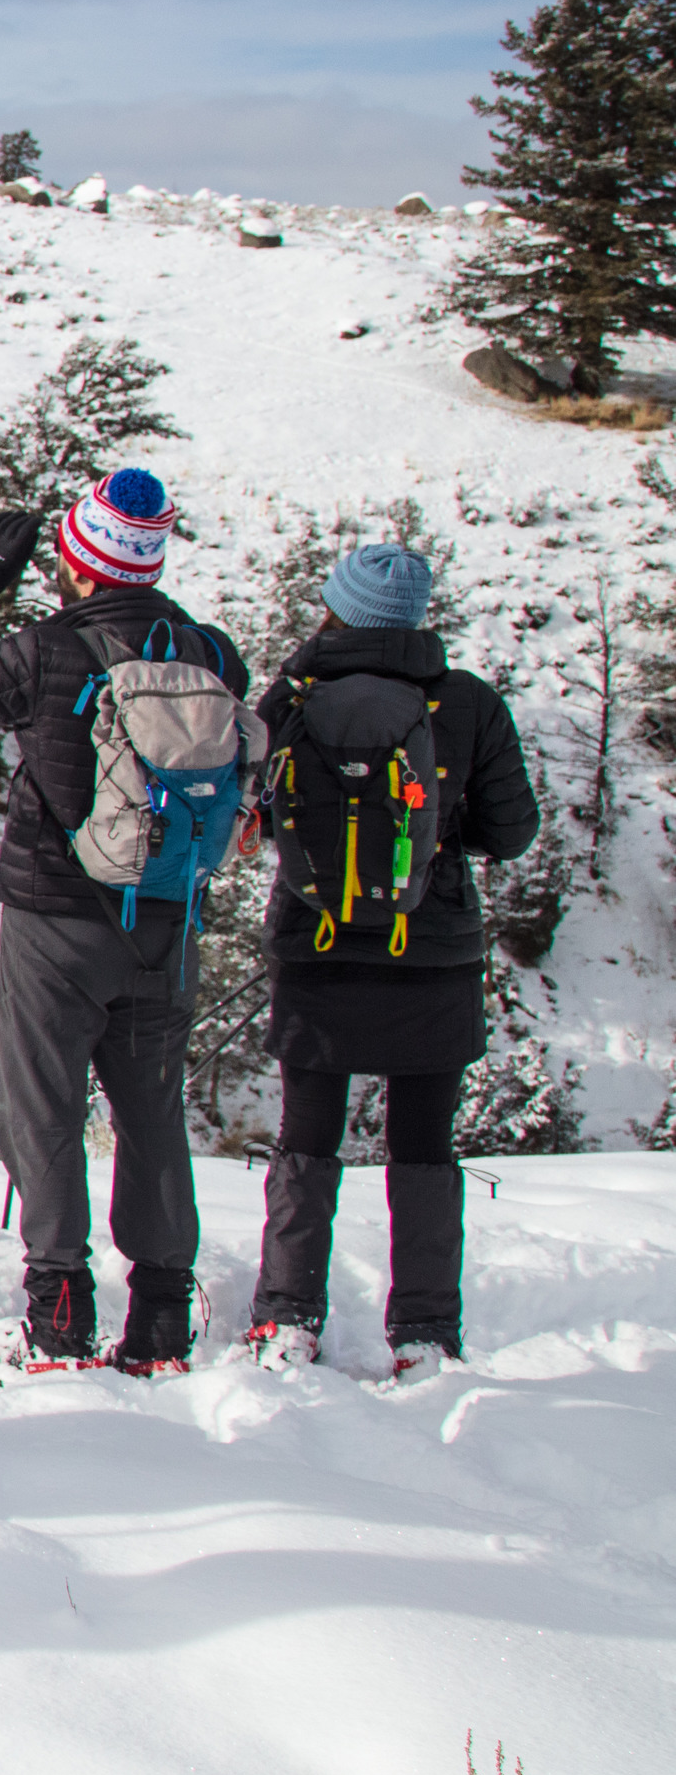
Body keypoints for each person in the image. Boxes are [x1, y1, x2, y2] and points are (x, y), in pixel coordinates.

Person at [0, 468, 253, 1374]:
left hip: (56, 913)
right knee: (151, 1110)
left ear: (78, 562)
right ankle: (161, 1319)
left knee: (42, 1109)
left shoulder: (45, 652)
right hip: (166, 917)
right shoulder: (211, 653)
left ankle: (58, 1316)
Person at [243, 541, 536, 1375]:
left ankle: (286, 1316)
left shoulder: (294, 696)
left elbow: (251, 798)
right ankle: (422, 1333)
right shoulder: (468, 702)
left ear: (333, 609)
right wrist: (439, 836)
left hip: (316, 941)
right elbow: (512, 831)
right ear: (415, 617)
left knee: (308, 1138)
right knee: (421, 1144)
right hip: (430, 948)